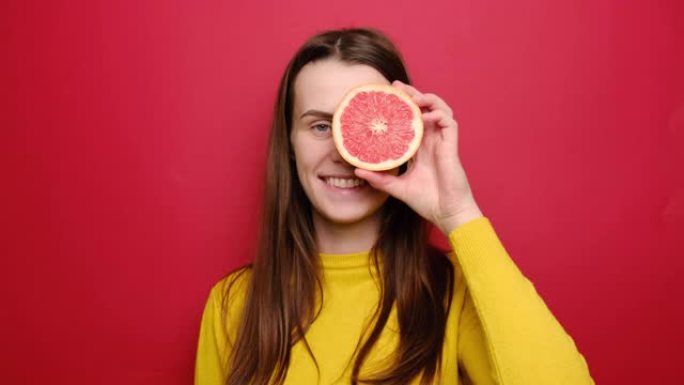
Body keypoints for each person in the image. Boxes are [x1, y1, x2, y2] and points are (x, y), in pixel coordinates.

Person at [194, 28, 595, 385]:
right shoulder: (234, 303)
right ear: (290, 145)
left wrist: (459, 214)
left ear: (406, 134)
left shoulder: (452, 291)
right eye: (320, 126)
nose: (343, 152)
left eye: (365, 124)